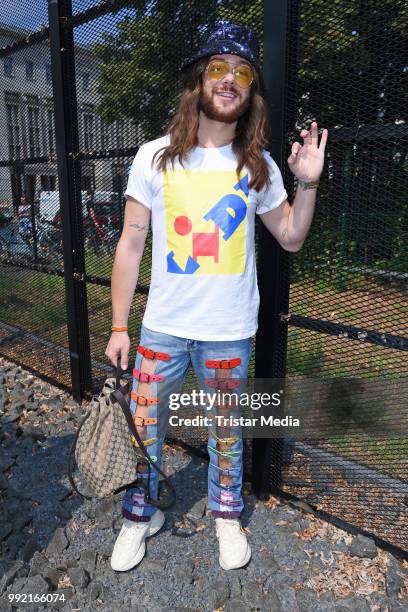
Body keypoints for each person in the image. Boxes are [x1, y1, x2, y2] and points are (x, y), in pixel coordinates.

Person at [104, 20, 328, 572]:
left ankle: (225, 513)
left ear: (250, 90)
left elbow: (292, 238)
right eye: (219, 68)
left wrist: (310, 183)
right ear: (199, 80)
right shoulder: (155, 157)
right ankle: (142, 513)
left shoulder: (259, 166)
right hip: (163, 327)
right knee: (145, 425)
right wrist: (117, 326)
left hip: (229, 330)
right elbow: (131, 243)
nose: (230, 79)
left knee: (227, 432)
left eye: (242, 72)